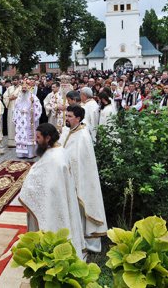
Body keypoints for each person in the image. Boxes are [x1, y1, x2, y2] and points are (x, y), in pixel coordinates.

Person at [18, 123, 85, 259]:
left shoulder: (54, 158)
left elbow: (47, 183)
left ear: (47, 138)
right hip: (58, 198)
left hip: (53, 202)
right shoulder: (59, 150)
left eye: (38, 137)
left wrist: (29, 183)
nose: (35, 140)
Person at [59, 105, 107, 253]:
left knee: (80, 211)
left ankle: (86, 241)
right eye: (66, 116)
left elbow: (82, 163)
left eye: (69, 116)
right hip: (68, 179)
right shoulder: (69, 131)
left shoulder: (83, 135)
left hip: (80, 182)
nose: (66, 119)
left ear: (78, 118)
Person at [13, 80, 42, 159]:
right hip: (20, 123)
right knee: (21, 137)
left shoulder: (33, 97)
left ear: (28, 89)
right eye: (23, 88)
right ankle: (21, 154)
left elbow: (38, 108)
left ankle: (30, 154)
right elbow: (15, 108)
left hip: (29, 121)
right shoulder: (19, 98)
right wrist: (16, 118)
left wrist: (31, 110)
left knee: (29, 138)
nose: (24, 89)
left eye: (25, 88)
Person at [3, 76, 21, 147]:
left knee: (19, 124)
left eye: (16, 80)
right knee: (11, 124)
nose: (14, 81)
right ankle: (11, 142)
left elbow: (24, 96)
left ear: (18, 81)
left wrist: (16, 97)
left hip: (19, 109)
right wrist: (9, 98)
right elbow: (4, 96)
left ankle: (19, 140)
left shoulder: (21, 88)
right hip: (11, 108)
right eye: (13, 80)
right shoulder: (9, 88)